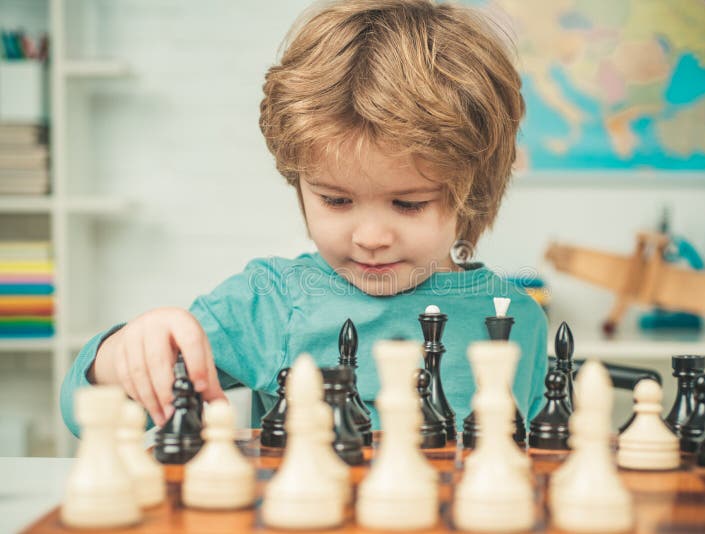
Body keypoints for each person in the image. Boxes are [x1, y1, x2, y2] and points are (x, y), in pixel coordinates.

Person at [60, 0, 548, 437]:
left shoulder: (515, 317)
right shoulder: (268, 303)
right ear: (299, 183)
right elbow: (84, 413)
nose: (371, 236)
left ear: (474, 191)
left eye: (409, 203)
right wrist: (123, 353)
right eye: (336, 200)